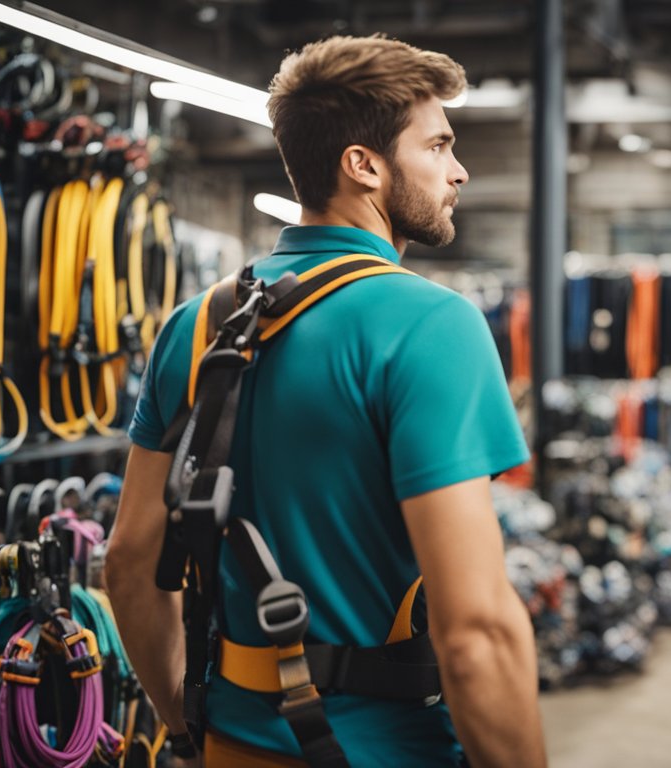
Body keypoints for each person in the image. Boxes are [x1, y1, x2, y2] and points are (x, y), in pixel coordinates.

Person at [106, 35, 547, 767]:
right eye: (438, 146)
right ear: (363, 164)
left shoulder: (195, 325)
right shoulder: (433, 327)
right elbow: (476, 634)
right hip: (386, 750)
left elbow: (128, 563)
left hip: (230, 744)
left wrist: (185, 722)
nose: (459, 171)